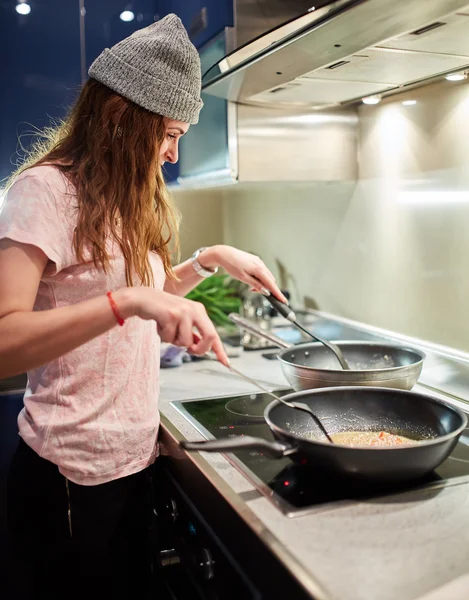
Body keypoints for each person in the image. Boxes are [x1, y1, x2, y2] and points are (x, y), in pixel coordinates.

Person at [0, 14, 286, 599]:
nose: (174, 155)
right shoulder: (45, 191)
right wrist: (127, 299)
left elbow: (135, 306)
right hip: (69, 480)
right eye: (169, 134)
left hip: (133, 463)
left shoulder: (125, 198)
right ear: (118, 117)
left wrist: (205, 261)